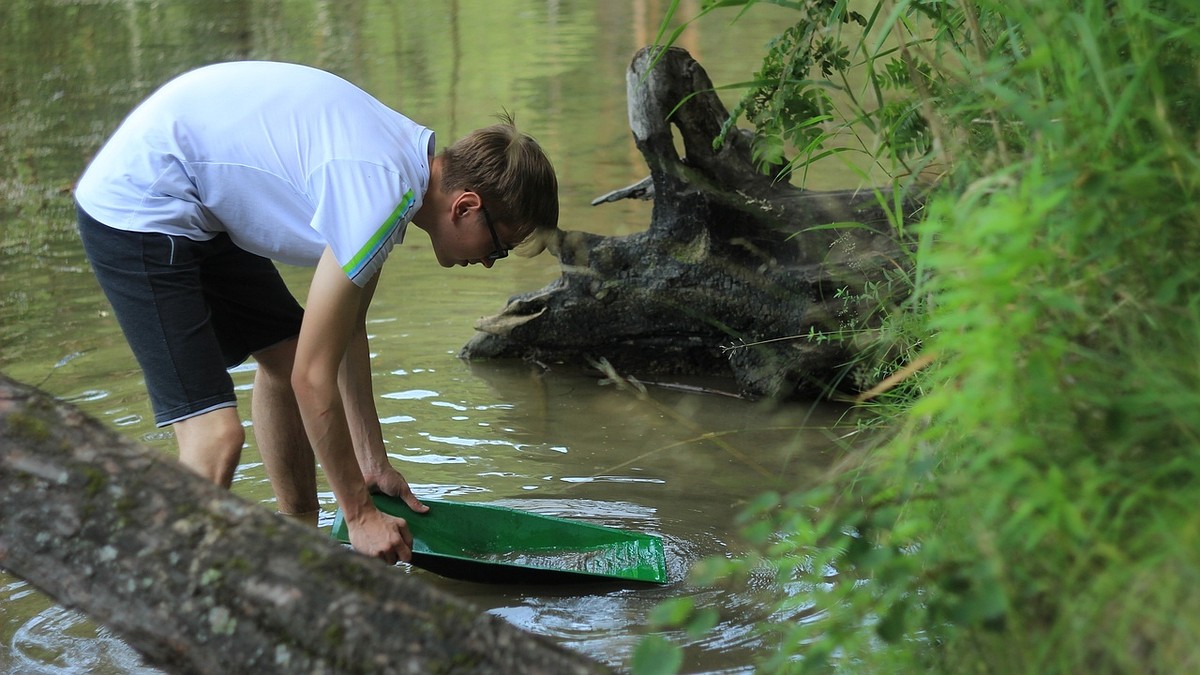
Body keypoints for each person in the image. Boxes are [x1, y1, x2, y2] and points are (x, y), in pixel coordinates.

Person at [74, 61, 559, 565]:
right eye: (499, 247)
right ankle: (158, 597)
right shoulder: (379, 196)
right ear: (465, 206)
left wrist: (371, 464)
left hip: (197, 195)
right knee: (216, 439)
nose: (487, 263)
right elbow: (315, 377)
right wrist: (359, 514)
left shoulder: (404, 172)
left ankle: (297, 542)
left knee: (285, 358)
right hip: (141, 202)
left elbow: (345, 332)